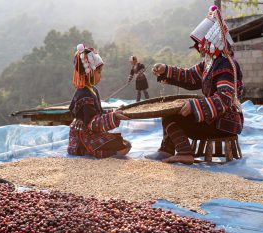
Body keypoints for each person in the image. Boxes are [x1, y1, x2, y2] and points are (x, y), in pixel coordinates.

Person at [147, 5, 244, 165]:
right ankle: (167, 150)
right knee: (170, 113)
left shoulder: (225, 64)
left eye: (202, 44)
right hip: (214, 118)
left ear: (212, 42)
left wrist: (194, 106)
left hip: (223, 123)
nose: (200, 49)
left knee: (172, 116)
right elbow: (190, 76)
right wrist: (166, 70)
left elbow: (224, 99)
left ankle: (184, 153)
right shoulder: (211, 62)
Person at [68, 44, 132, 158]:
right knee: (124, 146)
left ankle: (97, 150)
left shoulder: (93, 90)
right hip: (83, 138)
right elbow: (92, 122)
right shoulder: (84, 95)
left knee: (125, 144)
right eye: (99, 72)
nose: (100, 76)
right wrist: (114, 117)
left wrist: (115, 111)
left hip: (92, 133)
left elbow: (99, 113)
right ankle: (85, 150)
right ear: (90, 73)